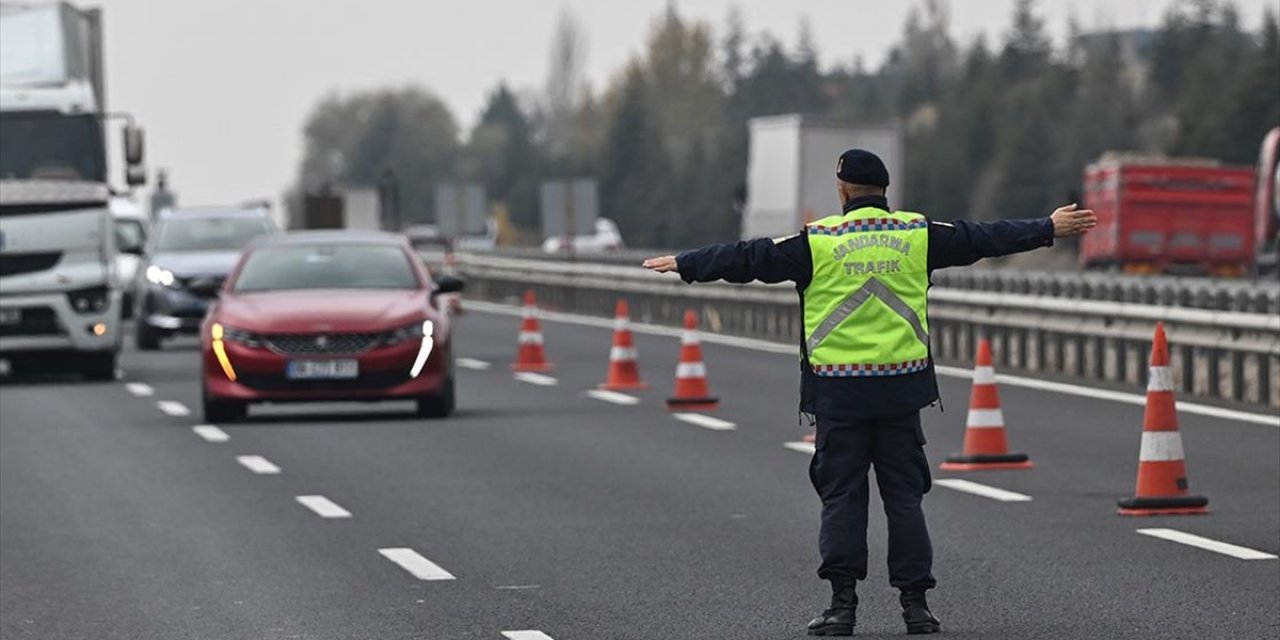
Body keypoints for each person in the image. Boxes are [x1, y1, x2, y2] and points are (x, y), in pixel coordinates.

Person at [642, 149, 1096, 636]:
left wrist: (687, 263)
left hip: (839, 396)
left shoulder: (817, 242)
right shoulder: (916, 234)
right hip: (901, 392)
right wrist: (1045, 228)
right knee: (904, 499)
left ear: (842, 190)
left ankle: (842, 607)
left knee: (842, 498)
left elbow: (749, 257)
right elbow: (980, 236)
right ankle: (916, 607)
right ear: (885, 190)